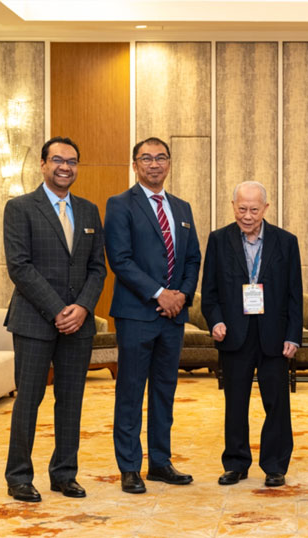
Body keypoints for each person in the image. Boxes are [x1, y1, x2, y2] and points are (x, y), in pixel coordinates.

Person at [3, 136, 107, 502]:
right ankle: (18, 476)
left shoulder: (90, 210)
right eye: (58, 160)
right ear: (43, 165)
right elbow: (19, 266)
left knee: (71, 400)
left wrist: (81, 308)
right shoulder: (20, 207)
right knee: (28, 401)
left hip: (78, 324)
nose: (66, 167)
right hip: (34, 322)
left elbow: (98, 268)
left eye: (73, 161)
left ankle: (64, 473)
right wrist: (58, 309)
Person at [105, 137, 201, 494]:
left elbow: (192, 259)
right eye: (146, 158)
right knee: (130, 391)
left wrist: (182, 296)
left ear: (169, 163)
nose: (154, 164)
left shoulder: (182, 207)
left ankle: (160, 462)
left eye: (161, 157)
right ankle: (129, 466)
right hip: (136, 315)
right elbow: (121, 260)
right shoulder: (119, 205)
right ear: (135, 165)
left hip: (172, 318)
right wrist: (161, 294)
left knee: (165, 390)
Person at [201, 181, 303, 488]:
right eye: (242, 209)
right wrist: (215, 321)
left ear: (266, 209)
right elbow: (209, 293)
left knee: (276, 403)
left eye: (254, 209)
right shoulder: (218, 240)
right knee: (235, 403)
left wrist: (293, 335)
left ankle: (275, 465)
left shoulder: (286, 241)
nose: (247, 215)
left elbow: (294, 294)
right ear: (233, 206)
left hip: (274, 335)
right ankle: (235, 463)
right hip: (234, 335)